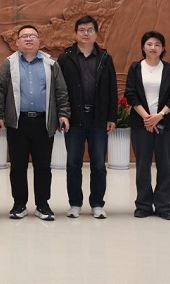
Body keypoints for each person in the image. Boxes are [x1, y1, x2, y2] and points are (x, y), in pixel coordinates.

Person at [0, 24, 70, 221]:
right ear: (17, 42)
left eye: (32, 36)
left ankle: (42, 205)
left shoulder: (51, 63)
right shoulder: (9, 63)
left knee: (43, 166)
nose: (28, 39)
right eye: (24, 36)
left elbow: (61, 91)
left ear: (39, 41)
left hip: (43, 122)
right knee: (18, 166)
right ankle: (19, 205)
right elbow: (0, 90)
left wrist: (63, 114)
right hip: (17, 123)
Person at [57, 15, 118, 219]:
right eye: (82, 30)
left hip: (98, 118)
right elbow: (59, 88)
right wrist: (61, 114)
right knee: (73, 163)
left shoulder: (105, 58)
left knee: (99, 164)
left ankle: (97, 204)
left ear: (96, 33)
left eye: (90, 30)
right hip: (74, 119)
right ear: (75, 34)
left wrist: (112, 117)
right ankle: (75, 203)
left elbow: (112, 89)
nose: (86, 33)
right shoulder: (65, 57)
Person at [124, 31, 170, 220]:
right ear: (143, 47)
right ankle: (143, 205)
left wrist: (159, 116)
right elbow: (131, 94)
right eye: (149, 44)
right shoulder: (135, 68)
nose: (153, 47)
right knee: (142, 166)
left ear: (163, 48)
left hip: (165, 123)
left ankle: (164, 206)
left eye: (157, 44)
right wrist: (147, 118)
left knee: (165, 165)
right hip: (141, 124)